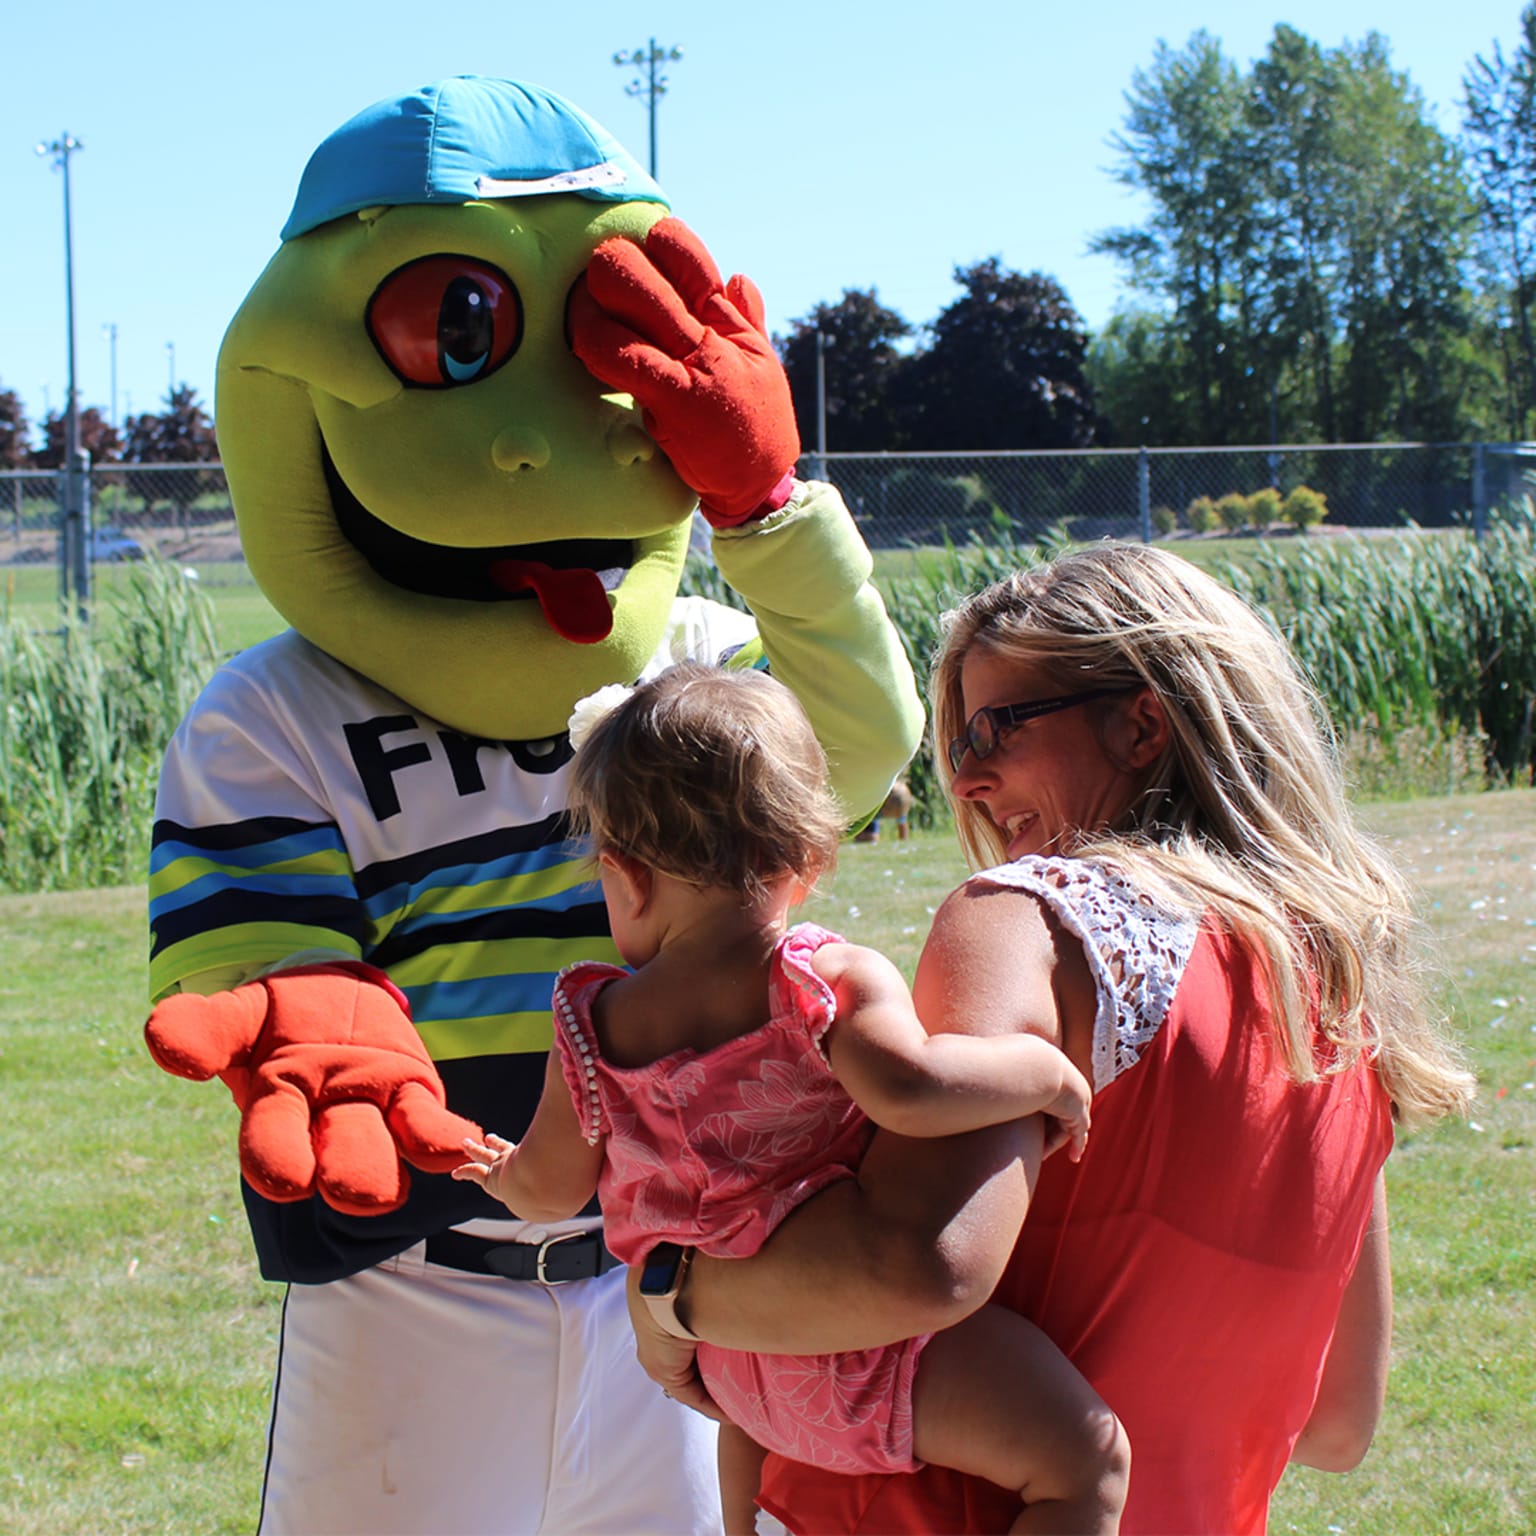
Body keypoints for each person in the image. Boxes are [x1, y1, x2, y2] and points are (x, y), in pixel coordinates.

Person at [140, 76, 924, 1536]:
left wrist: (767, 512)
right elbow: (263, 955)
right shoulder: (271, 707)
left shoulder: (696, 655)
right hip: (419, 1295)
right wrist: (319, 1020)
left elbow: (863, 757)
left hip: (679, 1280)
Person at [623, 544, 1477, 1535]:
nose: (968, 776)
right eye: (958, 740)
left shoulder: (1023, 918)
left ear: (1142, 723)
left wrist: (668, 1299)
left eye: (998, 726)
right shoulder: (1336, 996)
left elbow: (916, 1267)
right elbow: (1338, 1424)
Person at [454, 662, 1131, 1535]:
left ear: (622, 877)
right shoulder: (817, 983)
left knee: (757, 1488)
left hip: (728, 1365)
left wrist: (504, 1175)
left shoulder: (589, 1023)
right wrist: (1045, 1075)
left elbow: (550, 1189)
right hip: (858, 1344)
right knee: (1084, 1462)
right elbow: (913, 1089)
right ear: (808, 860)